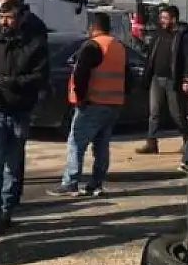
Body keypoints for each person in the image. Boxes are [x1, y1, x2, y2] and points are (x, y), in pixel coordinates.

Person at [0, 0, 49, 234]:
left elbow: (41, 77)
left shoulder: (35, 44)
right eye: (2, 17)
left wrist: (15, 83)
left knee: (12, 166)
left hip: (20, 111)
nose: (5, 22)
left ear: (20, 17)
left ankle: (6, 212)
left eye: (9, 17)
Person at [47, 12, 128, 197]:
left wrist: (80, 98)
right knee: (101, 145)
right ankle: (96, 183)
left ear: (92, 27)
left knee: (76, 142)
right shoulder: (118, 46)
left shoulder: (92, 46)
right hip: (114, 103)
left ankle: (70, 182)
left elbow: (81, 74)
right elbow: (127, 76)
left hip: (93, 102)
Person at [0, 0, 48, 203]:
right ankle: (1, 196)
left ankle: (9, 198)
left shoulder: (31, 28)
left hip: (19, 98)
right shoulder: (1, 31)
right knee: (4, 153)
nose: (0, 6)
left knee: (13, 153)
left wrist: (12, 82)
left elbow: (35, 67)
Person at [136, 5, 188, 172]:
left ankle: (187, 143)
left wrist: (186, 79)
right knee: (154, 111)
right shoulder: (159, 34)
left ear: (173, 19)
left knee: (177, 114)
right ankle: (151, 142)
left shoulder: (183, 35)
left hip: (173, 80)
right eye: (161, 18)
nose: (161, 21)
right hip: (157, 78)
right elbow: (151, 55)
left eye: (165, 18)